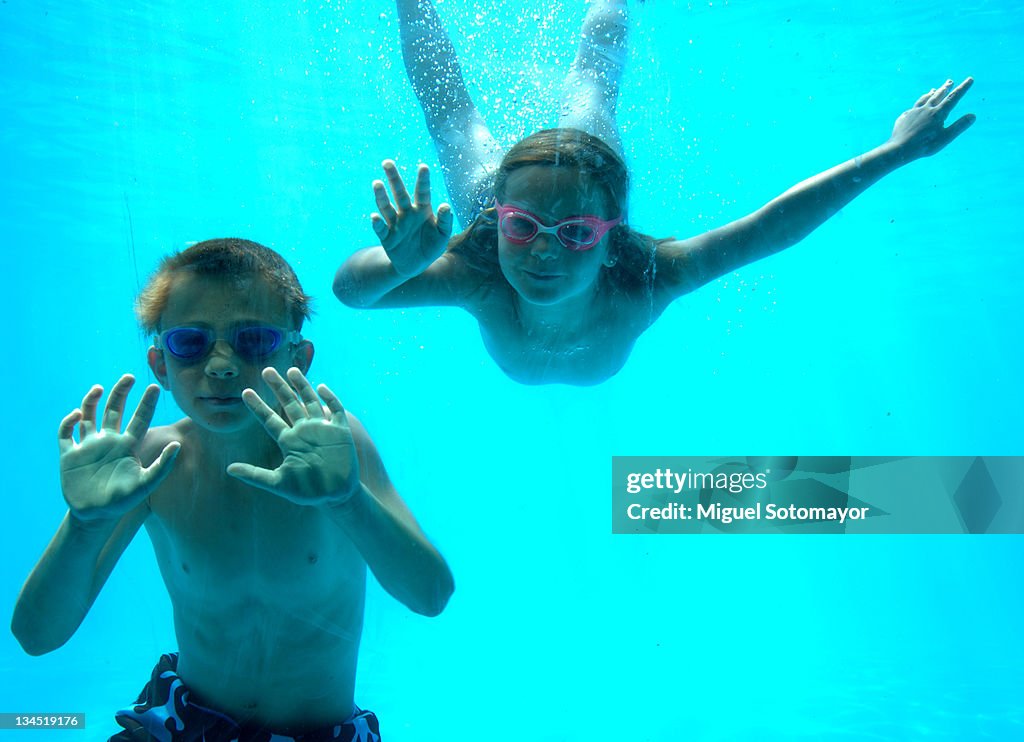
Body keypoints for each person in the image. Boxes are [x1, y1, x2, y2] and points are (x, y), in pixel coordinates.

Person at [333, 0, 976, 386]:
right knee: (457, 119)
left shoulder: (646, 277)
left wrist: (894, 154)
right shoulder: (476, 265)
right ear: (502, 221)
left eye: (578, 233)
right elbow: (350, 294)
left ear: (612, 232)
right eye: (524, 229)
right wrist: (403, 263)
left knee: (590, 86)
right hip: (502, 196)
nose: (545, 254)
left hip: (567, 180)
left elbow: (770, 227)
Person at [12, 238, 454, 740]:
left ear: (299, 357)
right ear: (161, 364)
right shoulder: (149, 463)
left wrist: (346, 500)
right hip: (182, 723)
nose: (220, 365)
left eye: (252, 340)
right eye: (189, 344)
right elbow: (37, 636)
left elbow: (430, 595)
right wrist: (83, 524)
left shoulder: (337, 444)